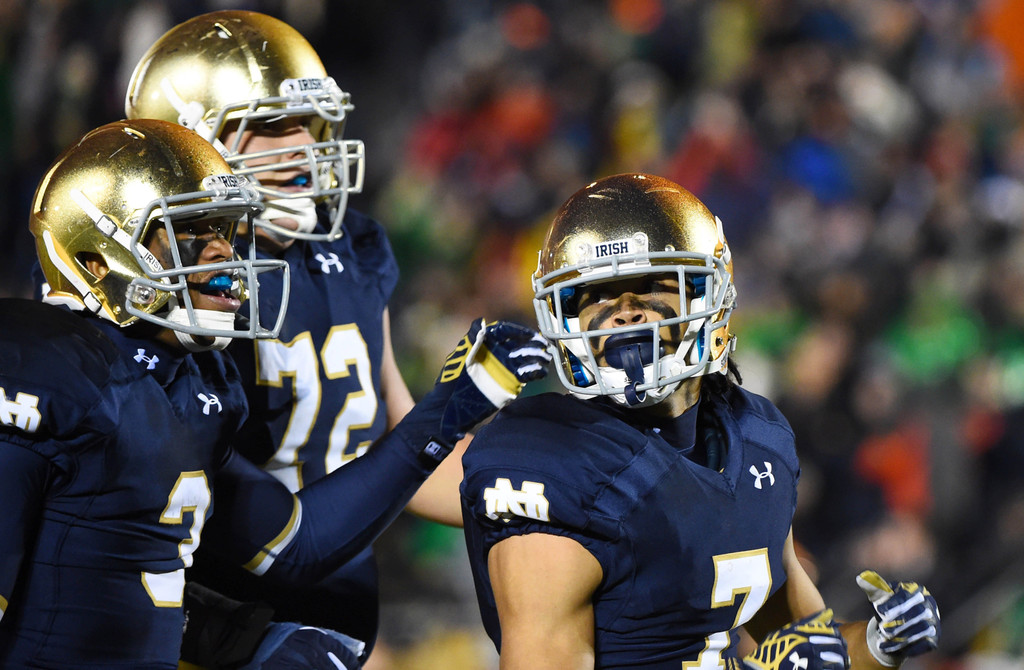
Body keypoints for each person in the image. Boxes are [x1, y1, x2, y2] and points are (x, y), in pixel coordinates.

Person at [0, 118, 548, 668]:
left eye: (223, 231)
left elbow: (295, 544)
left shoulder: (192, 390)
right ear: (97, 262)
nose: (222, 254)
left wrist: (251, 642)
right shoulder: (39, 367)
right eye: (190, 234)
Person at [459, 173, 941, 669]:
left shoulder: (757, 438)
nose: (625, 314)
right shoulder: (551, 463)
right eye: (598, 294)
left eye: (650, 285)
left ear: (708, 294)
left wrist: (878, 643)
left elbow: (802, 646)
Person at [122, 11, 478, 656]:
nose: (302, 146)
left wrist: (543, 493)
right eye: (269, 125)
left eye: (308, 124)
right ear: (189, 141)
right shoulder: (160, 281)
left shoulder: (354, 250)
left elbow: (393, 439)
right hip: (208, 615)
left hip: (332, 603)